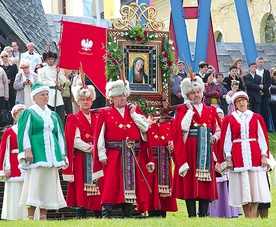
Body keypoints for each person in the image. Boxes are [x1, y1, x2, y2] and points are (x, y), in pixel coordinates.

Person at [92, 80, 152, 218]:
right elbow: (100, 136)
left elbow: (145, 128)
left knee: (130, 183)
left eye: (124, 95)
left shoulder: (133, 111)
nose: (123, 98)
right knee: (111, 184)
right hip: (114, 153)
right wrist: (102, 155)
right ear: (112, 97)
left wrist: (133, 114)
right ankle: (106, 213)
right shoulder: (105, 113)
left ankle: (128, 213)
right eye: (120, 96)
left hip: (131, 154)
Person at [17, 82, 68, 220]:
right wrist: (27, 150)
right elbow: (24, 132)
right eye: (42, 95)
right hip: (37, 152)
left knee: (48, 184)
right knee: (34, 183)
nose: (46, 97)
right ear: (35, 97)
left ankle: (44, 215)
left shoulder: (52, 114)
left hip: (51, 154)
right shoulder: (29, 112)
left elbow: (59, 135)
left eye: (47, 94)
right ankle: (30, 215)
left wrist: (62, 153)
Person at [172, 75, 221, 218]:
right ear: (187, 95)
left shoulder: (211, 110)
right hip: (190, 150)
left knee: (205, 181)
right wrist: (189, 111)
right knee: (190, 181)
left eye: (198, 91)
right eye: (193, 93)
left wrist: (215, 137)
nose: (196, 95)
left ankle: (204, 214)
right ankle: (192, 214)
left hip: (206, 148)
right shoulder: (182, 110)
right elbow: (182, 128)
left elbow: (218, 129)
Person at [220, 91, 271, 218]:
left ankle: (253, 216)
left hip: (254, 154)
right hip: (238, 155)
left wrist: (264, 155)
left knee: (255, 187)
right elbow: (226, 139)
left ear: (247, 102)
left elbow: (262, 137)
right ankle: (247, 216)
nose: (241, 103)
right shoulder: (230, 119)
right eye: (238, 101)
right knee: (242, 187)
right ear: (235, 104)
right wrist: (228, 157)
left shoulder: (256, 117)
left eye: (243, 100)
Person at [63, 85, 102, 218]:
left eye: (88, 99)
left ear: (92, 101)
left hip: (97, 156)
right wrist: (89, 148)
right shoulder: (73, 118)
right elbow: (73, 139)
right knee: (80, 185)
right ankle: (81, 214)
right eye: (83, 99)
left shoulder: (98, 117)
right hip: (81, 157)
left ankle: (98, 213)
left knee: (98, 184)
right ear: (77, 101)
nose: (85, 102)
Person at [138, 116, 177, 217]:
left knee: (164, 188)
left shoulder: (170, 121)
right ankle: (151, 211)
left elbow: (176, 137)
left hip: (164, 157)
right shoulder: (145, 120)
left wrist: (172, 144)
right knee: (150, 185)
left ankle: (162, 211)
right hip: (151, 158)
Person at [208, 108, 242, 218]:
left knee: (229, 186)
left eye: (221, 117)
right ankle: (215, 211)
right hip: (213, 161)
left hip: (228, 161)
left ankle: (231, 211)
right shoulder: (212, 132)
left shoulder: (228, 130)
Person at [0, 104, 27, 220]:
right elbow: (3, 150)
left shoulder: (30, 131)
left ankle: (28, 215)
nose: (21, 117)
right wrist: (3, 168)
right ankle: (14, 215)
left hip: (28, 162)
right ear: (15, 117)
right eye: (19, 114)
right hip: (13, 162)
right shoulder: (9, 132)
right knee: (15, 189)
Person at [38, 48, 67, 125]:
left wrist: (59, 73)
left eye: (52, 59)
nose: (50, 60)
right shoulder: (42, 70)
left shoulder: (57, 69)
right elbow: (41, 82)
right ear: (46, 60)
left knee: (60, 113)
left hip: (58, 94)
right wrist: (52, 83)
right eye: (49, 59)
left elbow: (64, 81)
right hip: (49, 93)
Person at [256, 56, 272, 130]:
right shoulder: (254, 72)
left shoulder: (266, 72)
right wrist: (258, 90)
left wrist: (263, 89)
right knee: (258, 111)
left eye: (262, 62)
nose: (260, 63)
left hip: (265, 94)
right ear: (257, 63)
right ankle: (259, 127)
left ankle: (267, 127)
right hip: (257, 94)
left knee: (266, 111)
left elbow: (269, 82)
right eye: (259, 62)